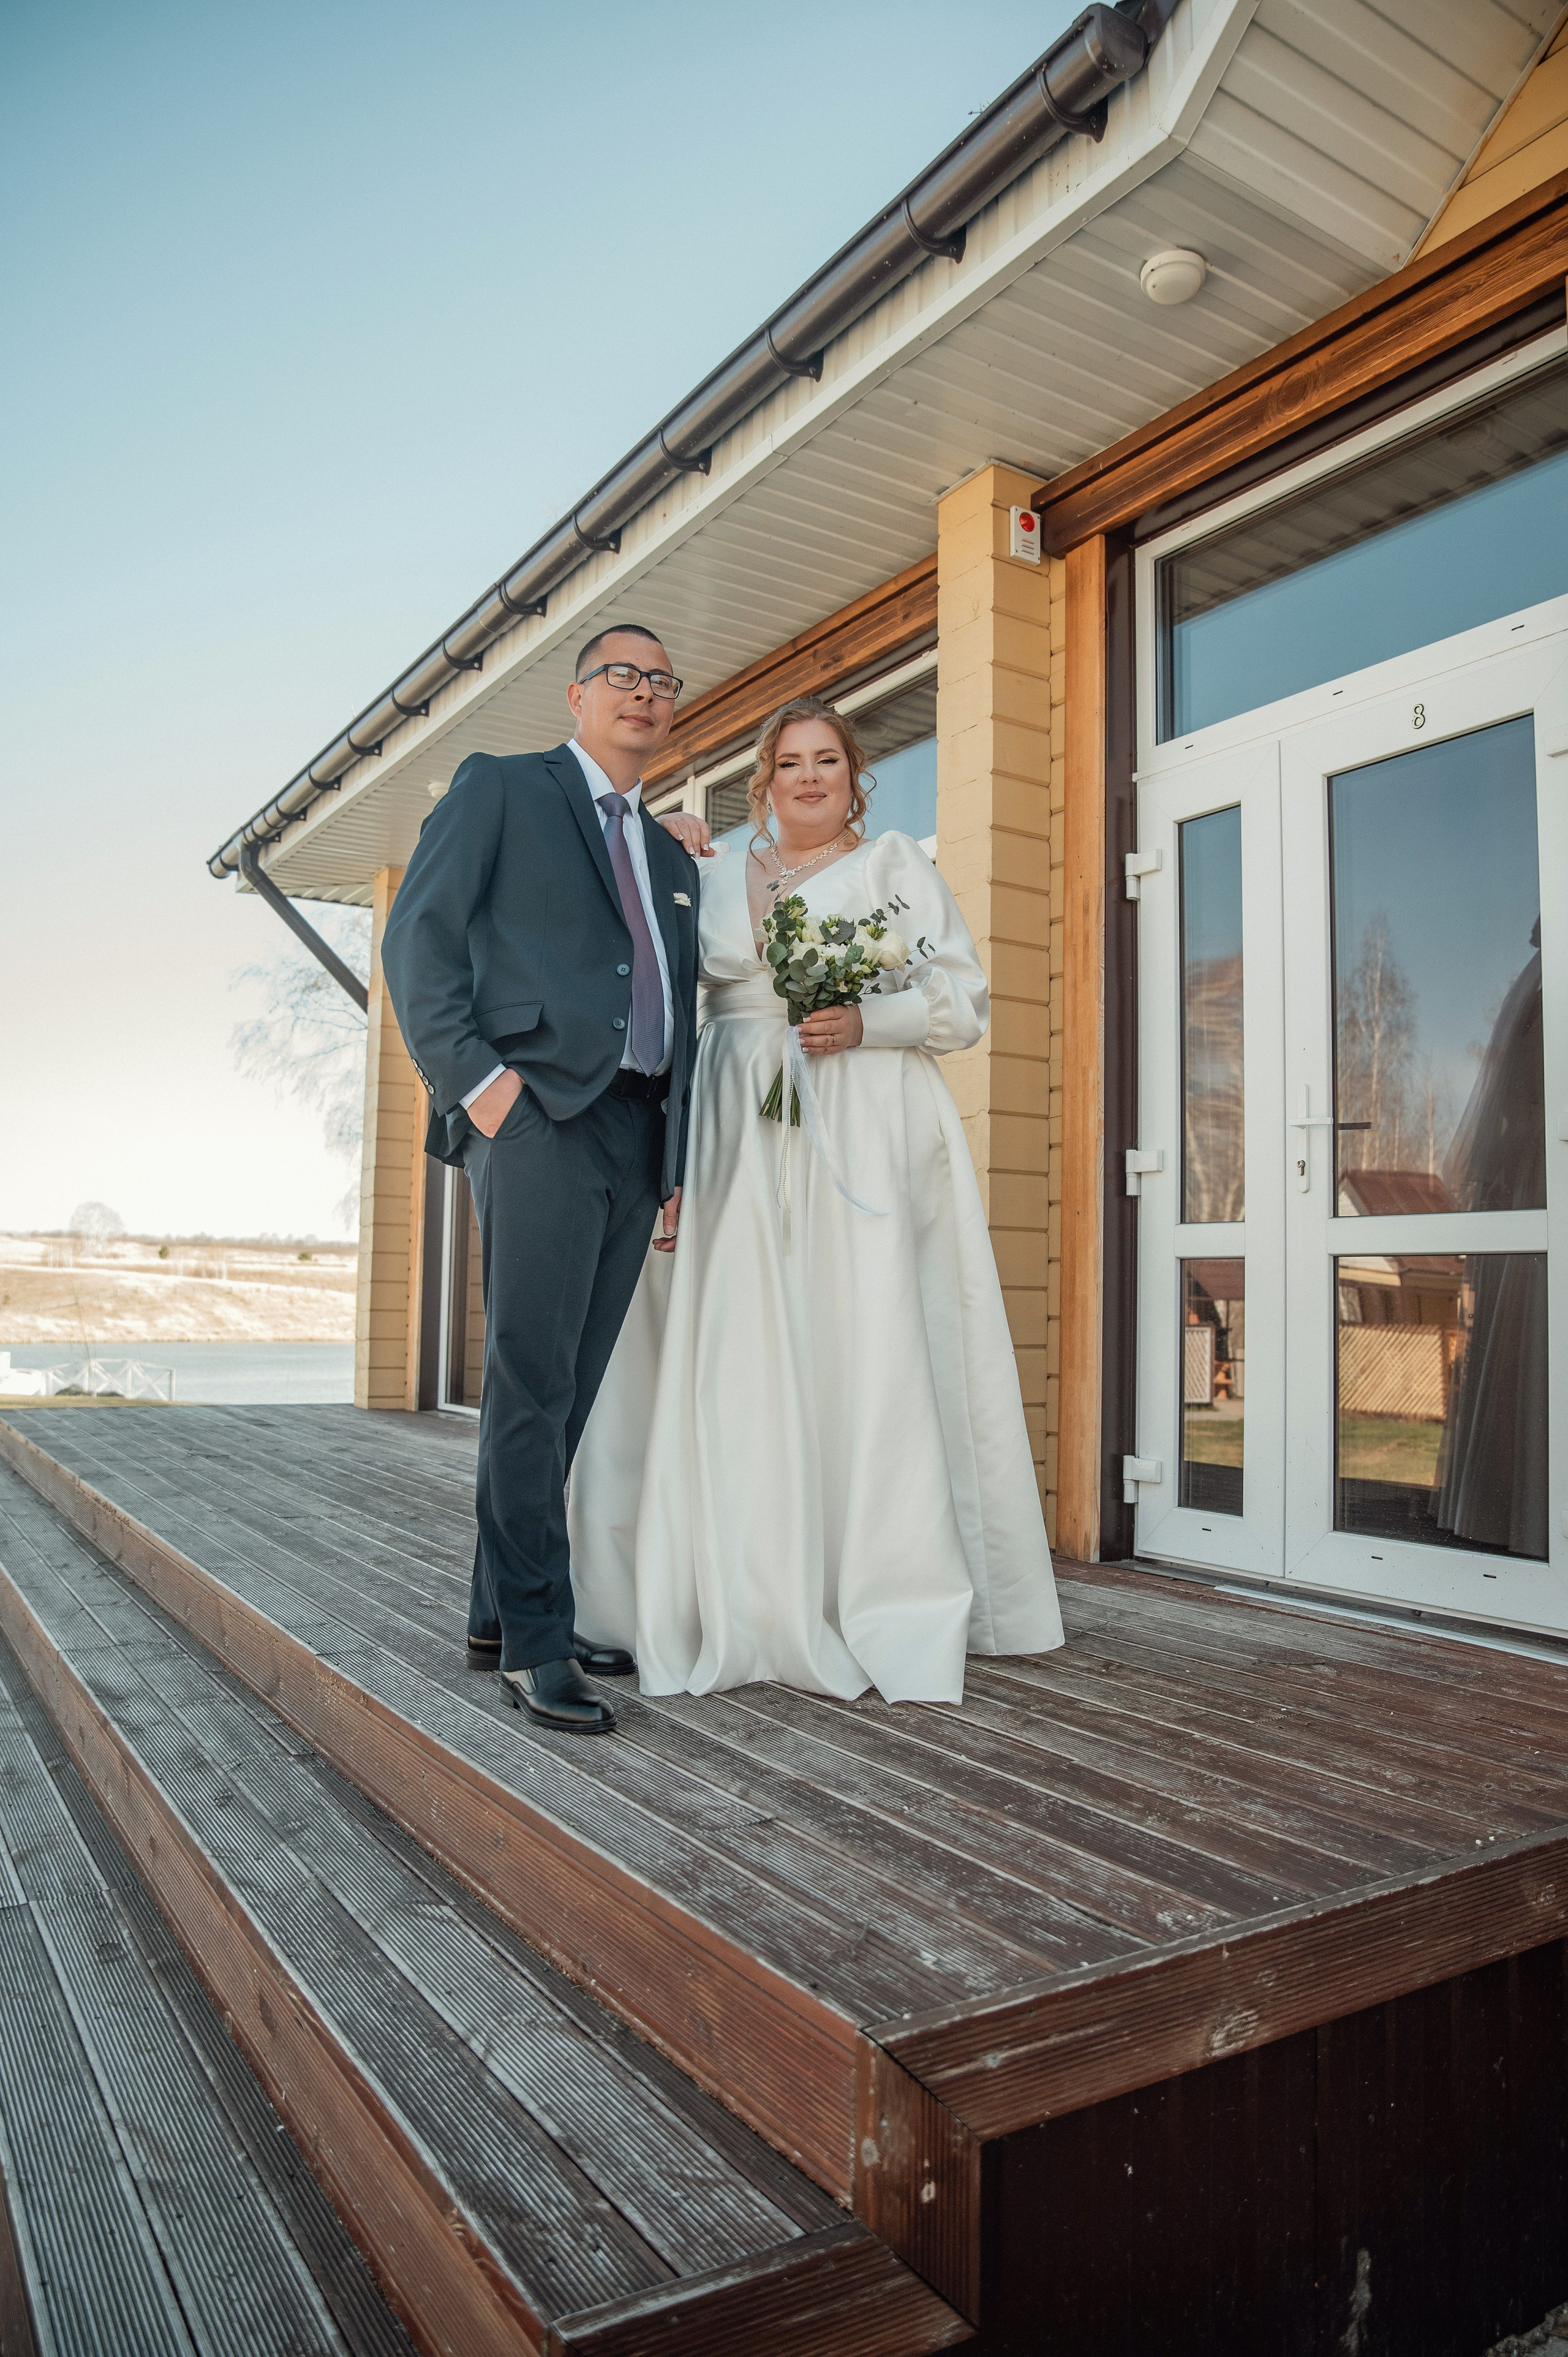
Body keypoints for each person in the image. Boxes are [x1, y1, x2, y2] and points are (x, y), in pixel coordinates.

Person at [568, 695, 1063, 1705]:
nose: (807, 777)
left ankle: (870, 1579)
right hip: (734, 1128)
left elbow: (963, 1002)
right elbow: (659, 986)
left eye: (826, 761)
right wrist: (666, 848)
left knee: (857, 1334)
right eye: (789, 761)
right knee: (741, 1339)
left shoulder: (894, 870)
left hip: (859, 1124)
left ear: (854, 776)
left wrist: (868, 1021)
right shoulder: (704, 873)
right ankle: (736, 1580)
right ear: (763, 779)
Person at [382, 627, 700, 1735]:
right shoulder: (503, 791)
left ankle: (495, 1612)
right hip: (535, 1124)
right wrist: (480, 1087)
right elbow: (417, 941)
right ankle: (533, 1637)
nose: (645, 695)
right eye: (624, 675)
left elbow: (679, 1013)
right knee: (528, 1380)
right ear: (576, 695)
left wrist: (674, 1159)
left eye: (662, 683)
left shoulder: (668, 860)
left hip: (635, 1133)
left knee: (566, 1387)